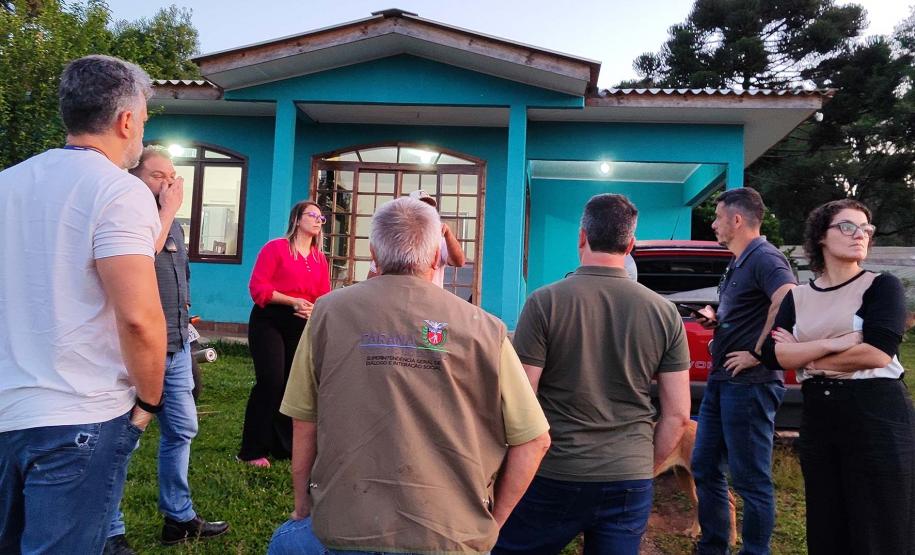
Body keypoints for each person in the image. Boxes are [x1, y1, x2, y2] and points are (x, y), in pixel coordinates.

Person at [273, 196, 551, 555]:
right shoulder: (486, 329)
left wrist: (302, 505)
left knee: (286, 541)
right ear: (436, 255)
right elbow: (535, 440)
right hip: (452, 533)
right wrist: (493, 524)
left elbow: (303, 422)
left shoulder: (326, 313)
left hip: (347, 527)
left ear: (373, 252)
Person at [0, 55, 165, 553]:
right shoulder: (119, 191)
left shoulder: (8, 183)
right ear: (126, 120)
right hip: (80, 413)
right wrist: (148, 404)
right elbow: (139, 318)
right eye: (145, 119)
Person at [493, 193, 692, 555]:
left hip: (555, 472)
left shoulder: (544, 302)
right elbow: (678, 415)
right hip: (628, 476)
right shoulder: (665, 313)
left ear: (581, 237)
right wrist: (644, 468)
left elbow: (522, 398)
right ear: (630, 245)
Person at [760, 199, 914, 555]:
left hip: (877, 416)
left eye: (865, 228)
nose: (859, 234)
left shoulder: (881, 286)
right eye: (847, 226)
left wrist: (807, 357)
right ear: (821, 237)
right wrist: (834, 343)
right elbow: (774, 354)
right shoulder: (798, 296)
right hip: (821, 418)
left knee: (880, 525)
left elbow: (877, 352)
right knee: (828, 523)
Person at [104, 147, 229, 554]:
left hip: (175, 348)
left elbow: (179, 277)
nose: (169, 183)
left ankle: (178, 517)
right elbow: (141, 259)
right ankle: (110, 529)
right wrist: (166, 212)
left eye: (172, 175)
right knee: (125, 439)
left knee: (183, 430)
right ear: (135, 176)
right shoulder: (132, 216)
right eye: (159, 175)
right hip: (138, 352)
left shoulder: (171, 223)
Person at [690, 187, 796, 555]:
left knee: (750, 479)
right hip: (722, 380)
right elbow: (752, 309)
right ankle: (713, 547)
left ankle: (755, 551)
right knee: (703, 465)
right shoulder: (738, 260)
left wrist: (760, 353)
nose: (714, 224)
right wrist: (718, 319)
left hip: (750, 384)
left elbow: (787, 297)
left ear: (737, 219)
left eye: (718, 217)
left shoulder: (766, 257)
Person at [238, 201, 331, 467]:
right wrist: (292, 301)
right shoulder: (276, 248)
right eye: (312, 215)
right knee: (271, 381)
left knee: (292, 385)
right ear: (297, 219)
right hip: (270, 319)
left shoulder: (318, 258)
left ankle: (282, 446)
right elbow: (259, 288)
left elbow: (322, 294)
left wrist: (313, 311)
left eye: (320, 217)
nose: (317, 220)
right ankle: (252, 450)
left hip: (300, 322)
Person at [366, 189, 465, 286]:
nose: (424, 212)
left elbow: (459, 262)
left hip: (428, 298)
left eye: (429, 208)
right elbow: (372, 279)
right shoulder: (393, 241)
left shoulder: (440, 241)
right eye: (420, 207)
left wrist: (448, 234)